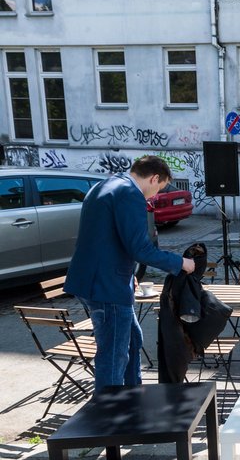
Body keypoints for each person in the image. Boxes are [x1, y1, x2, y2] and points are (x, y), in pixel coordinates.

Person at [64, 156, 196, 392]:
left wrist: (127, 273)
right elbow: (141, 249)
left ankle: (133, 396)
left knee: (133, 340)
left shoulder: (106, 185)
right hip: (107, 286)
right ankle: (111, 413)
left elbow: (105, 238)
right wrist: (181, 263)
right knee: (114, 355)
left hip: (96, 279)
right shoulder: (129, 194)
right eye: (159, 188)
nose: (155, 196)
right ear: (154, 178)